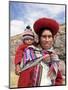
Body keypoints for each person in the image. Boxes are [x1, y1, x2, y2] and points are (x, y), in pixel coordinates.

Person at [20, 17, 65, 87]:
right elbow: (23, 79)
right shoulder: (29, 52)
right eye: (44, 36)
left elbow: (58, 79)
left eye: (49, 37)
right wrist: (42, 58)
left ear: (53, 38)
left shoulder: (54, 56)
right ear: (39, 38)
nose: (47, 40)